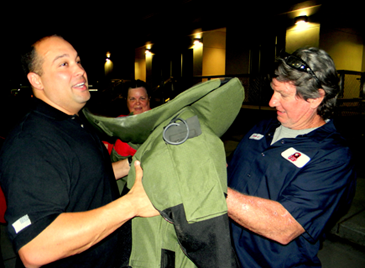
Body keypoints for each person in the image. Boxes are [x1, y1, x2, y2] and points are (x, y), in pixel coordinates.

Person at [0, 35, 158, 268]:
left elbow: (88, 176)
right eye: (64, 64)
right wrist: (132, 205)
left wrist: (135, 162)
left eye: (78, 61)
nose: (80, 71)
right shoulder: (31, 142)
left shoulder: (76, 123)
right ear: (37, 80)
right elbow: (35, 246)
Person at [226, 47, 356, 267]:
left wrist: (210, 190)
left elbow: (284, 226)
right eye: (273, 91)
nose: (271, 102)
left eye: (283, 95)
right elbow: (231, 170)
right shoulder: (263, 127)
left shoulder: (333, 156)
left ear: (315, 98)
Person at [106, 80, 151, 158]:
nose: (137, 103)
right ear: (127, 101)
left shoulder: (160, 122)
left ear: (149, 99)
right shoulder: (119, 122)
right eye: (132, 99)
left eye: (142, 98)